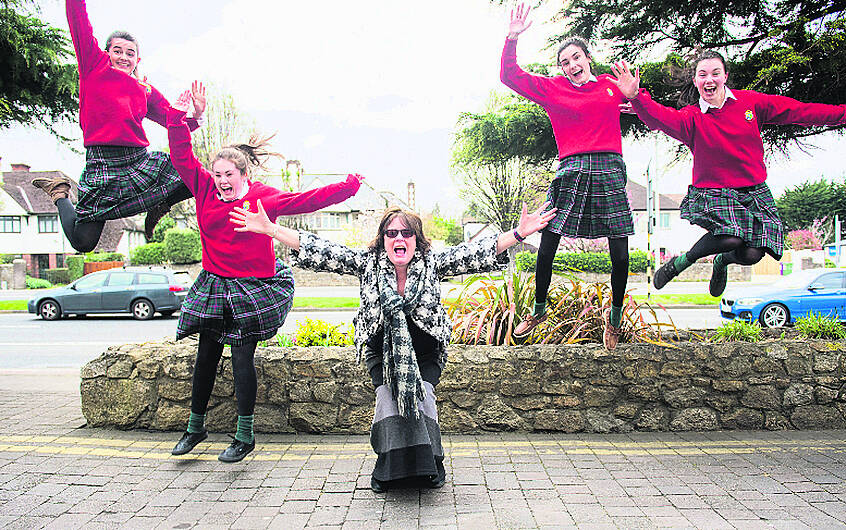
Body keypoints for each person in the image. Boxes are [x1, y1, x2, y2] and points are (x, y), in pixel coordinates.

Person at [229, 202, 556, 490]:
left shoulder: (432, 263)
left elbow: (476, 252)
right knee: (388, 400)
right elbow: (321, 248)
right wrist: (271, 229)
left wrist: (519, 233)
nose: (399, 239)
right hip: (381, 350)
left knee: (423, 398)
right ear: (383, 239)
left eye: (406, 233)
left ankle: (431, 466)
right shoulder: (366, 263)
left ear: (417, 239)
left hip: (426, 350)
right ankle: (388, 468)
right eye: (391, 233)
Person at [163, 103, 363, 463]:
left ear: (242, 173)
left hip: (253, 287)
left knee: (241, 357)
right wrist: (180, 117)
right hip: (215, 284)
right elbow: (181, 155)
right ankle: (195, 428)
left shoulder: (262, 198)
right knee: (205, 355)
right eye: (217, 173)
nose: (222, 180)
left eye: (229, 174)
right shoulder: (204, 188)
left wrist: (348, 188)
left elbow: (306, 200)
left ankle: (245, 434)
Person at [611, 54, 846, 296]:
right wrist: (636, 97)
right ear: (696, 81)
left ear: (725, 76)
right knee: (731, 235)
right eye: (702, 75)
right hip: (714, 191)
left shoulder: (751, 103)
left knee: (752, 255)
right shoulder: (691, 117)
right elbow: (659, 118)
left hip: (753, 191)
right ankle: (680, 263)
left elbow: (801, 111)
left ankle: (722, 261)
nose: (709, 80)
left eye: (715, 73)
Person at [500, 3, 634, 350]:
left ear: (588, 58)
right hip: (571, 170)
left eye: (576, 58)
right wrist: (512, 38)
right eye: (565, 62)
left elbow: (641, 105)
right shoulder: (553, 89)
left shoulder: (610, 86)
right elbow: (510, 76)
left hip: (608, 169)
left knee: (620, 254)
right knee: (548, 240)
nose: (572, 65)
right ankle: (539, 309)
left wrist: (635, 95)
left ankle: (615, 319)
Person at [31, 0, 205, 251]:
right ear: (107, 53)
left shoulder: (144, 89)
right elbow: (78, 22)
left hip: (137, 161)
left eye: (130, 53)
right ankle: (59, 193)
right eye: (118, 51)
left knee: (194, 178)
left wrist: (196, 115)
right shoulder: (93, 67)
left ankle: (159, 204)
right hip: (101, 164)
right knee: (83, 243)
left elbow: (172, 121)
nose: (123, 57)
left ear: (137, 59)